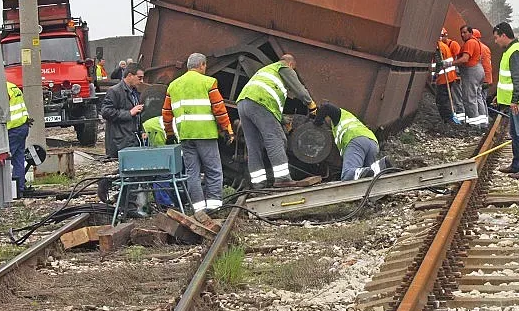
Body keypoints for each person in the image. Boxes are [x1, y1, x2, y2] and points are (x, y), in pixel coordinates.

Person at [162, 53, 233, 223]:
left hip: (185, 135)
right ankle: (214, 207)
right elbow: (219, 108)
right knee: (214, 170)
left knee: (193, 173)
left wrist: (170, 134)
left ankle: (198, 208)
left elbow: (166, 114)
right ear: (201, 65)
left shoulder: (173, 85)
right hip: (205, 134)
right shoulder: (208, 82)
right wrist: (228, 129)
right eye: (205, 66)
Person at [236, 54, 321, 189]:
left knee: (253, 145)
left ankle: (259, 184)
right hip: (261, 102)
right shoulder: (283, 67)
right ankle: (282, 179)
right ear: (291, 64)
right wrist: (312, 106)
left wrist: (282, 119)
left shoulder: (266, 70)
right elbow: (300, 90)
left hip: (243, 103)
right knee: (276, 139)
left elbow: (272, 107)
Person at [492, 23, 519, 180]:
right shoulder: (511, 50)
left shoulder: (515, 52)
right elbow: (508, 79)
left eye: (496, 37)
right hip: (517, 100)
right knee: (515, 134)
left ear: (504, 35)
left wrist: (515, 100)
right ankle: (517, 164)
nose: (496, 41)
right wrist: (501, 96)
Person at [313, 103, 392, 180]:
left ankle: (360, 171)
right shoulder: (350, 119)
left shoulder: (339, 116)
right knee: (369, 178)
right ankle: (381, 165)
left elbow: (326, 106)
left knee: (348, 175)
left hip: (356, 140)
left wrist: (317, 123)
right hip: (372, 142)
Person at [102, 63, 145, 159]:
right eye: (139, 78)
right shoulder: (114, 91)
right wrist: (129, 113)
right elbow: (106, 112)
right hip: (121, 142)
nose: (142, 81)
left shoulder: (135, 92)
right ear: (130, 76)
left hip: (133, 139)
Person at [453, 25, 488, 129]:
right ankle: (482, 122)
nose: (462, 35)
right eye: (461, 33)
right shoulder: (475, 42)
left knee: (469, 98)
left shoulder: (470, 43)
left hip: (471, 71)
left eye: (465, 32)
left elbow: (464, 59)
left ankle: (474, 124)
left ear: (470, 33)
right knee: (478, 97)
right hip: (478, 70)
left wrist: (450, 63)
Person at [6, 81, 30, 198]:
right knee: (18, 159)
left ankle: (10, 190)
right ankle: (19, 189)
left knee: (5, 160)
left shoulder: (3, 89)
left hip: (13, 128)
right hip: (22, 126)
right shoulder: (13, 86)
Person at [432, 33, 461, 123]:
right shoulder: (444, 46)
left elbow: (439, 64)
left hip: (443, 77)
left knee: (442, 100)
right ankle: (449, 118)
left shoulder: (438, 47)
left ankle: (448, 119)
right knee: (446, 98)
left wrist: (434, 77)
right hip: (449, 76)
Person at [439, 29, 465, 121]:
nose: (442, 39)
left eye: (443, 36)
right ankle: (455, 116)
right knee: (451, 97)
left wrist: (458, 75)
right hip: (448, 75)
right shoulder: (442, 46)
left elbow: (460, 60)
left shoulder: (453, 45)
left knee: (457, 97)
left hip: (454, 74)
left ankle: (461, 118)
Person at [473, 29, 494, 102]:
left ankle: (483, 113)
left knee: (480, 100)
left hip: (483, 80)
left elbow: (486, 65)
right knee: (481, 99)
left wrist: (486, 81)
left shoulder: (480, 48)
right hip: (485, 79)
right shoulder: (484, 48)